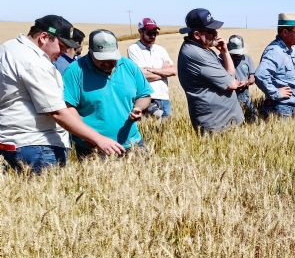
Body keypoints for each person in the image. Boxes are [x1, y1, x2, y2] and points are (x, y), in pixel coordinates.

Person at [0, 15, 124, 173]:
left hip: (10, 142)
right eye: (62, 45)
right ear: (44, 37)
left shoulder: (8, 48)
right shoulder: (34, 62)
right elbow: (57, 111)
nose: (65, 51)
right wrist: (98, 139)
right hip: (36, 145)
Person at [63, 30, 153, 157]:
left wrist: (138, 108)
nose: (107, 63)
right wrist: (92, 137)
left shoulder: (129, 66)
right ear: (90, 51)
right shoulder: (75, 71)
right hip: (93, 149)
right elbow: (67, 108)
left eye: (112, 59)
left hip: (133, 143)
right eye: (102, 59)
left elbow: (144, 95)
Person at [176, 8, 248, 133]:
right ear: (197, 35)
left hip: (226, 121)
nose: (216, 34)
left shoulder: (203, 49)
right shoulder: (195, 54)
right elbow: (231, 83)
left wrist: (225, 52)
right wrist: (235, 82)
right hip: (217, 125)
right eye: (210, 31)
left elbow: (230, 74)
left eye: (215, 30)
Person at [255, 13, 295, 118]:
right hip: (283, 108)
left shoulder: (289, 48)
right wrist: (276, 93)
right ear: (285, 32)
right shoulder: (275, 51)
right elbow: (260, 75)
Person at [127, 18, 175, 119]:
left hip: (164, 97)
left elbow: (173, 71)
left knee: (166, 130)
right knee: (151, 130)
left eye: (155, 33)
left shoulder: (160, 49)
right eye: (149, 33)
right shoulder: (134, 49)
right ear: (140, 31)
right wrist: (163, 73)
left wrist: (152, 70)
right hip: (147, 98)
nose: (153, 36)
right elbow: (141, 75)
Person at [227, 35, 258, 121]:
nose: (236, 55)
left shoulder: (248, 59)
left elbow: (252, 78)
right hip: (229, 96)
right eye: (234, 54)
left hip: (244, 95)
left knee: (254, 116)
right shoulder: (224, 59)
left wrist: (246, 82)